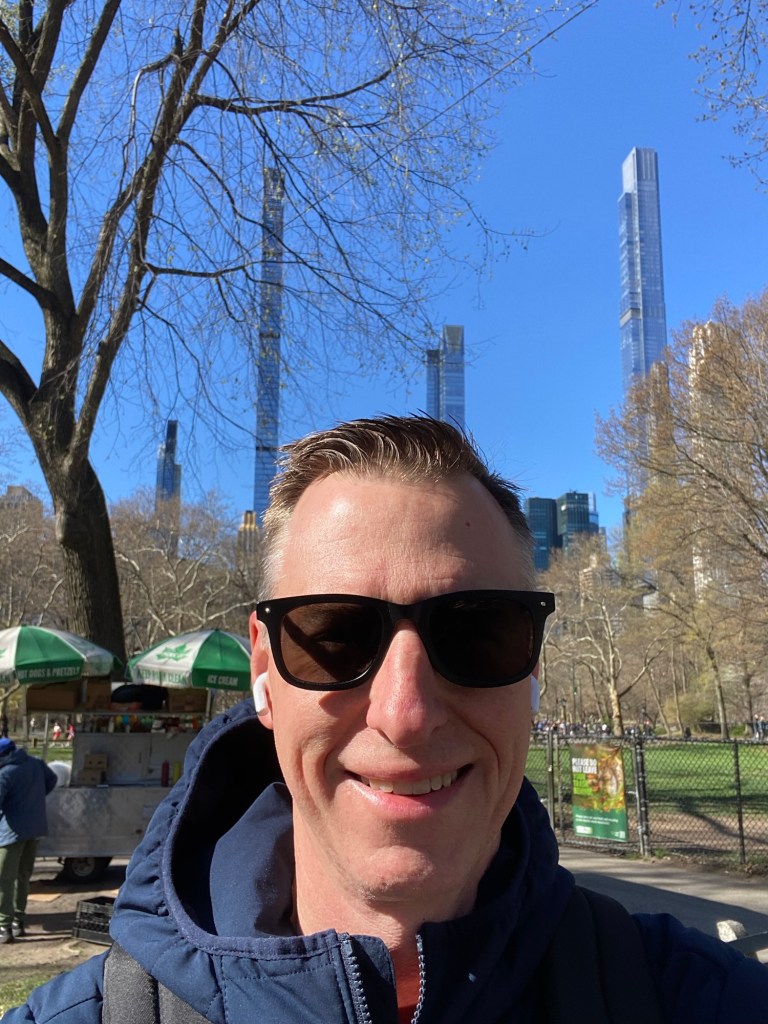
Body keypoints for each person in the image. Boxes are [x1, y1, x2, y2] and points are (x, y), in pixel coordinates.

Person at [7, 415, 768, 1021]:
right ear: (264, 674)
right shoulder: (96, 1015)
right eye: (335, 637)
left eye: (477, 632)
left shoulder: (692, 996)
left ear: (532, 667)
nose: (404, 715)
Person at [0, 737, 57, 943]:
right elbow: (52, 779)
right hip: (35, 829)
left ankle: (3, 926)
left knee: (4, 880)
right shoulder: (35, 763)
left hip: (10, 833)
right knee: (22, 877)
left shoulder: (5, 773)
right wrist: (35, 799)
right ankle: (18, 921)